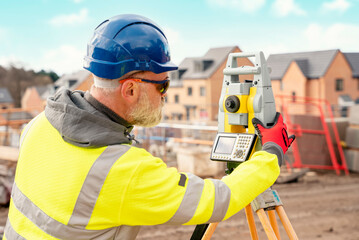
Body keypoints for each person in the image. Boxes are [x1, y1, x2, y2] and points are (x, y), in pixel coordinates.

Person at [4, 14, 294, 240]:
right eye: (162, 84)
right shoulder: (121, 169)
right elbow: (216, 200)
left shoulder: (39, 125)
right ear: (130, 90)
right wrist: (271, 153)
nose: (166, 95)